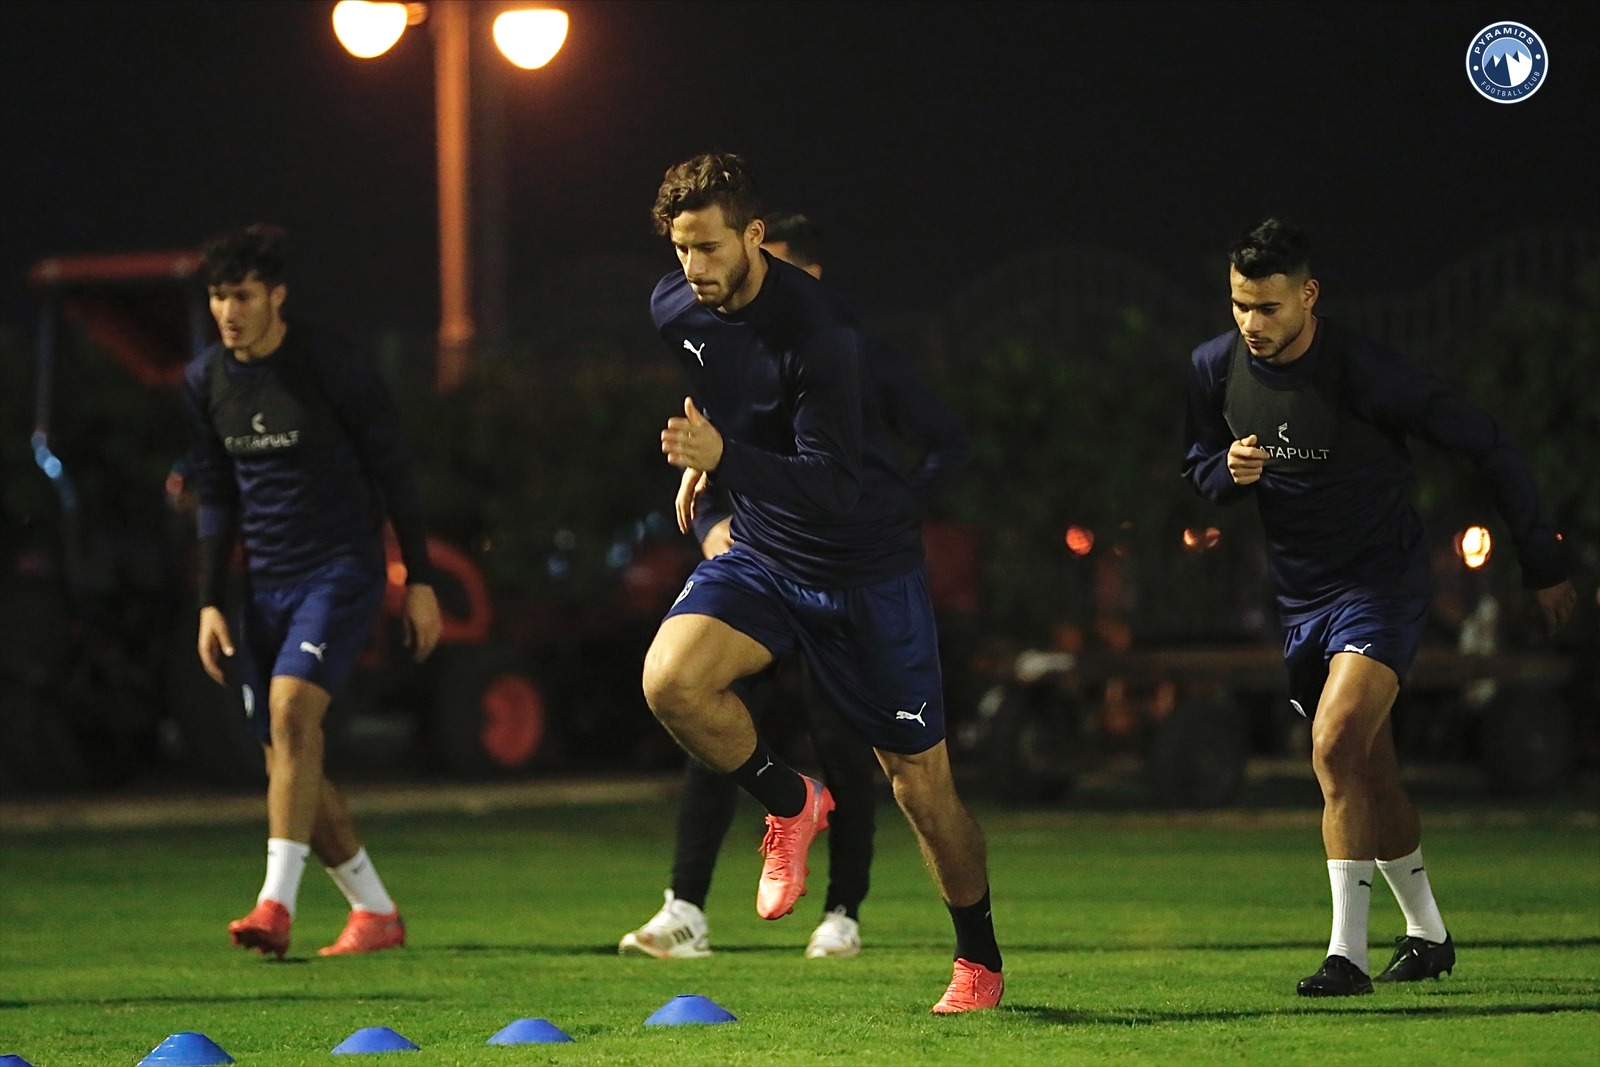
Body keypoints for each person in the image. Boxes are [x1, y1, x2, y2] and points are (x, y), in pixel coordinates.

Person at [640, 153, 1002, 1013]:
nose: (694, 268)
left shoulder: (823, 333)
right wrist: (709, 465)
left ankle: (979, 959)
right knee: (671, 681)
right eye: (681, 248)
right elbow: (728, 387)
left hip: (864, 571)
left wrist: (726, 457)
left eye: (710, 247)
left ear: (754, 237)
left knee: (919, 784)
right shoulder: (673, 306)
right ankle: (791, 801)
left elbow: (836, 484)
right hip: (767, 553)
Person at [1182, 218, 1576, 996]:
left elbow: (1488, 442)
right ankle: (1428, 935)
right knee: (1370, 770)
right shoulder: (1211, 366)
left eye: (1268, 307)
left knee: (1333, 747)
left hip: (1382, 585)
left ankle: (1347, 956)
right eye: (1239, 305)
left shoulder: (1367, 371)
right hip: (1301, 599)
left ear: (1309, 295)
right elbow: (1198, 466)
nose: (1251, 323)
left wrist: (1542, 561)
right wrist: (1226, 470)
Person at [181, 224, 442, 959]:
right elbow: (215, 495)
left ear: (276, 296)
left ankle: (275, 905)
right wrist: (210, 600)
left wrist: (420, 578)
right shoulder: (204, 381)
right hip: (263, 585)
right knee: (286, 757)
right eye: (218, 297)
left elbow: (395, 471)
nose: (229, 312)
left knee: (293, 712)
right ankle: (374, 910)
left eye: (242, 296)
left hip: (341, 569)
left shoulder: (331, 365)